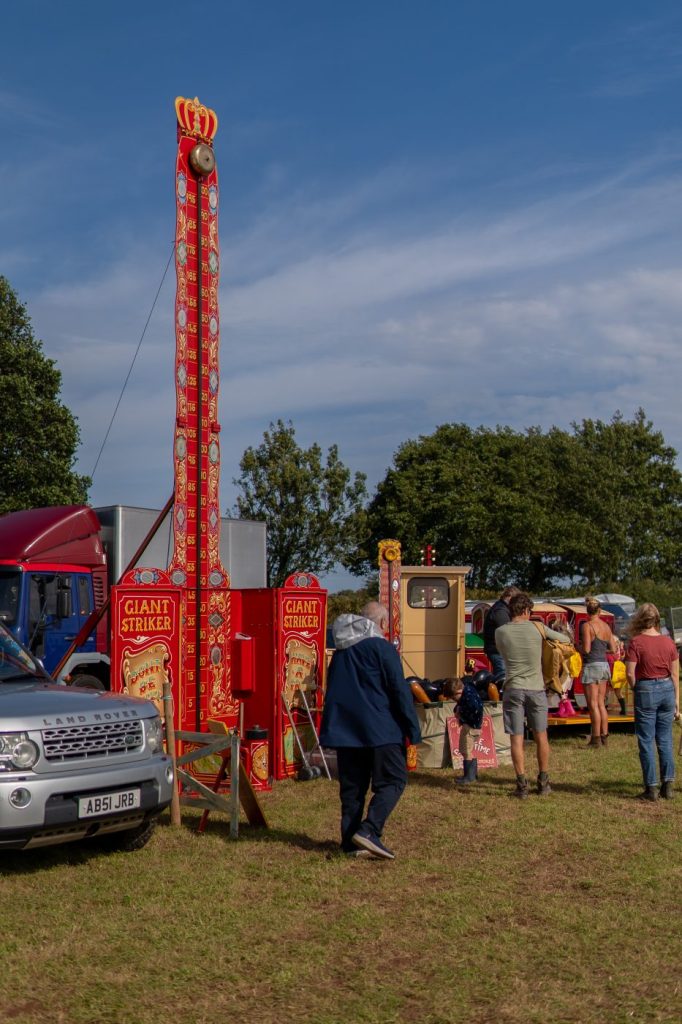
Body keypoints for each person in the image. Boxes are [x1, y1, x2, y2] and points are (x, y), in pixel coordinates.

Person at [320, 601, 421, 860]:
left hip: (346, 729)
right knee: (393, 781)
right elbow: (399, 691)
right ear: (384, 624)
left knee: (352, 789)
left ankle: (349, 840)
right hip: (381, 728)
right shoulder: (382, 648)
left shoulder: (341, 651)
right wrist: (412, 729)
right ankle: (369, 830)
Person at [495, 592, 571, 798]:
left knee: (516, 738)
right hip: (536, 688)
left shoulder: (500, 632)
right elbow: (565, 640)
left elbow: (502, 655)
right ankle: (544, 782)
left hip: (513, 688)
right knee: (541, 736)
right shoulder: (538, 628)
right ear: (527, 611)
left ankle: (521, 785)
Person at [624, 603, 680, 802]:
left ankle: (651, 788)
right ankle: (668, 786)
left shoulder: (636, 642)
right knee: (665, 739)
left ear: (640, 619)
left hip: (646, 688)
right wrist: (677, 702)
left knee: (646, 740)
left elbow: (630, 673)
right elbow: (675, 675)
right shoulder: (669, 642)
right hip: (667, 689)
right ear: (657, 620)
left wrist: (636, 687)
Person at [580, 597, 619, 747]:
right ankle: (604, 735)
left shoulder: (587, 626)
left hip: (592, 666)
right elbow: (614, 649)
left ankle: (595, 738)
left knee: (593, 704)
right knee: (602, 703)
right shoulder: (606, 627)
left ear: (587, 611)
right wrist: (602, 650)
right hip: (604, 665)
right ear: (600, 611)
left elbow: (587, 649)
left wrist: (578, 647)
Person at [449, 677, 484, 785]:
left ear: (458, 692)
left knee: (466, 751)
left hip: (470, 727)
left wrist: (461, 713)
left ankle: (469, 777)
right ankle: (472, 774)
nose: (455, 701)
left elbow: (473, 709)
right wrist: (457, 708)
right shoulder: (468, 692)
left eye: (454, 698)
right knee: (466, 750)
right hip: (472, 726)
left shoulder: (469, 698)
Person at [483, 586, 520, 682]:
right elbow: (507, 630)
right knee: (502, 677)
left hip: (497, 649)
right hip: (497, 651)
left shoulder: (501, 608)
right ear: (509, 596)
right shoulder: (500, 611)